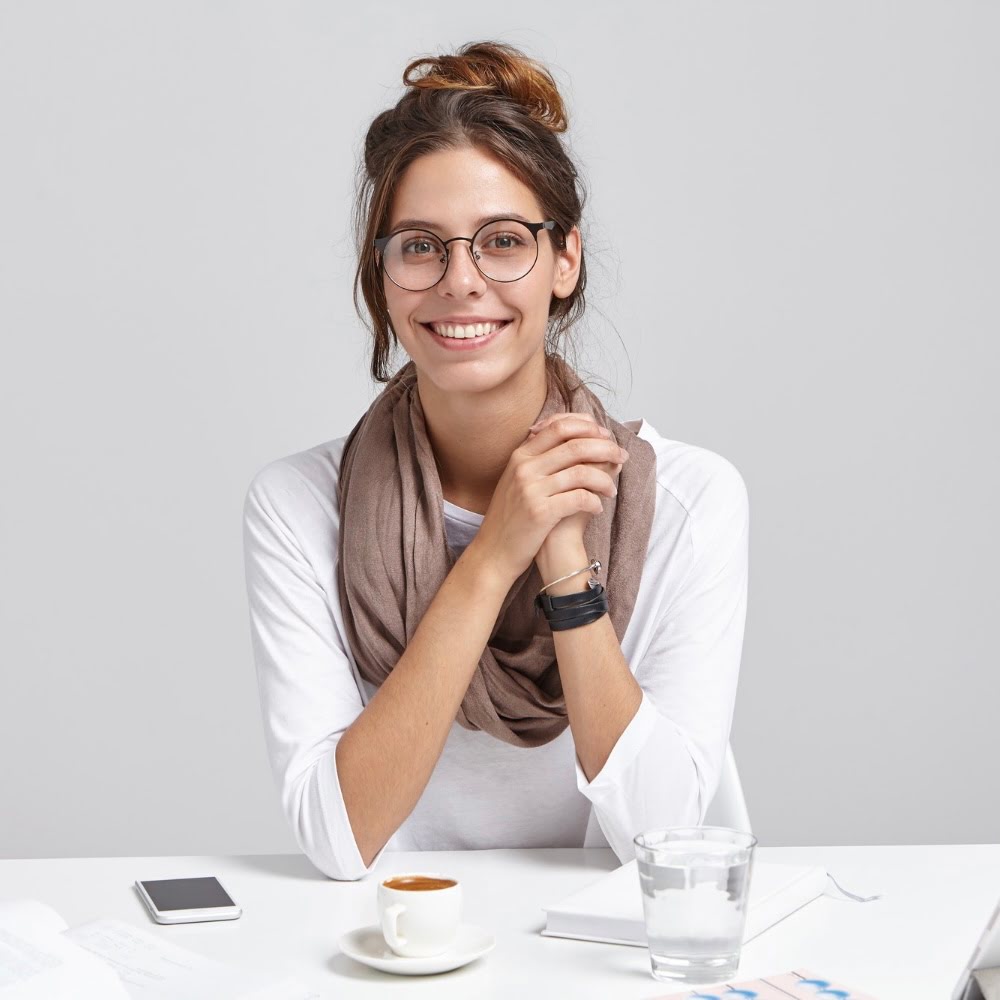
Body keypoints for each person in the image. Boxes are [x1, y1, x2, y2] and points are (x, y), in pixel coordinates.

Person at [242, 40, 749, 882]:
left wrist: (565, 562)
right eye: (420, 245)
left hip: (606, 957)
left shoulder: (693, 498)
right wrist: (494, 554)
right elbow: (341, 839)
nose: (460, 281)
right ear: (384, 277)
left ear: (565, 260)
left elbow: (662, 843)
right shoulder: (300, 505)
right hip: (399, 951)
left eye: (503, 240)